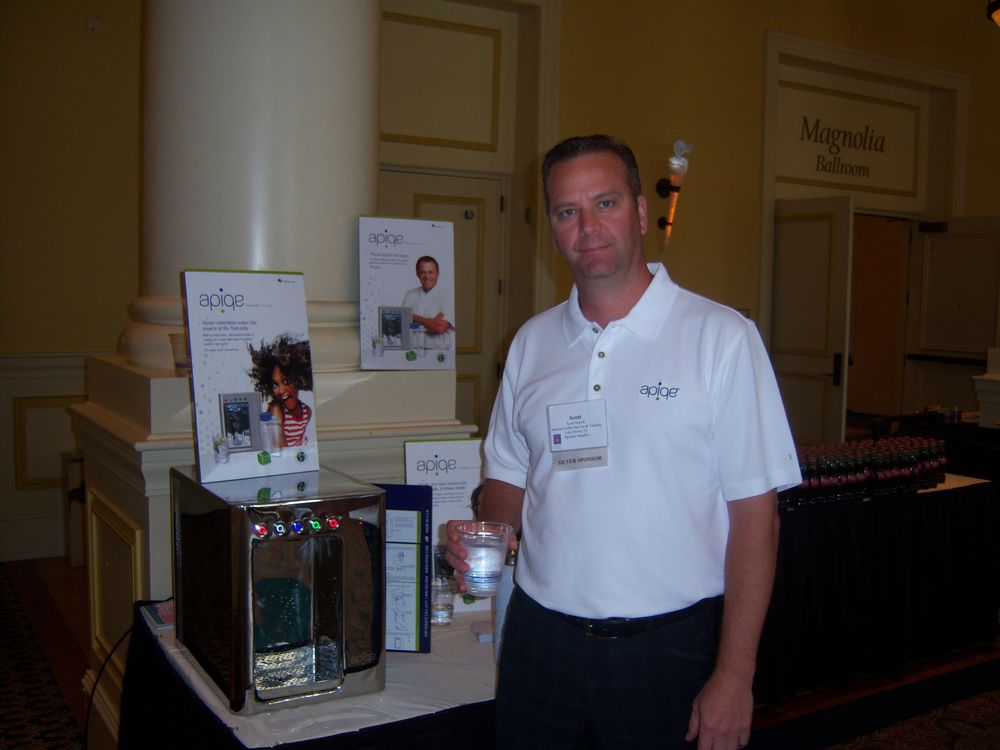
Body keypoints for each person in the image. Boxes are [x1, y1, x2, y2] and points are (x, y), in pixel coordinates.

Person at [446, 135, 801, 750]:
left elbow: (756, 519)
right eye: (566, 211)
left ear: (640, 212)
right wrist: (491, 539)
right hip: (538, 643)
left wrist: (736, 674)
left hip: (665, 654)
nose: (587, 226)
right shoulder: (530, 343)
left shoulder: (721, 339)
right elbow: (506, 473)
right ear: (551, 229)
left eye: (605, 203)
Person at [247, 334, 313, 447]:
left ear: (299, 379)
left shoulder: (307, 412)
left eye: (286, 381)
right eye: (275, 384)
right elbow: (281, 450)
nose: (280, 390)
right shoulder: (276, 409)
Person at [402, 256, 454, 350]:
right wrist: (432, 323)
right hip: (414, 351)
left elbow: (440, 328)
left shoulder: (447, 295)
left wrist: (415, 318)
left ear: (437, 274)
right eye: (423, 272)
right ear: (417, 274)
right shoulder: (410, 295)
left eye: (430, 272)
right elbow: (403, 325)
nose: (427, 276)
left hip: (439, 354)